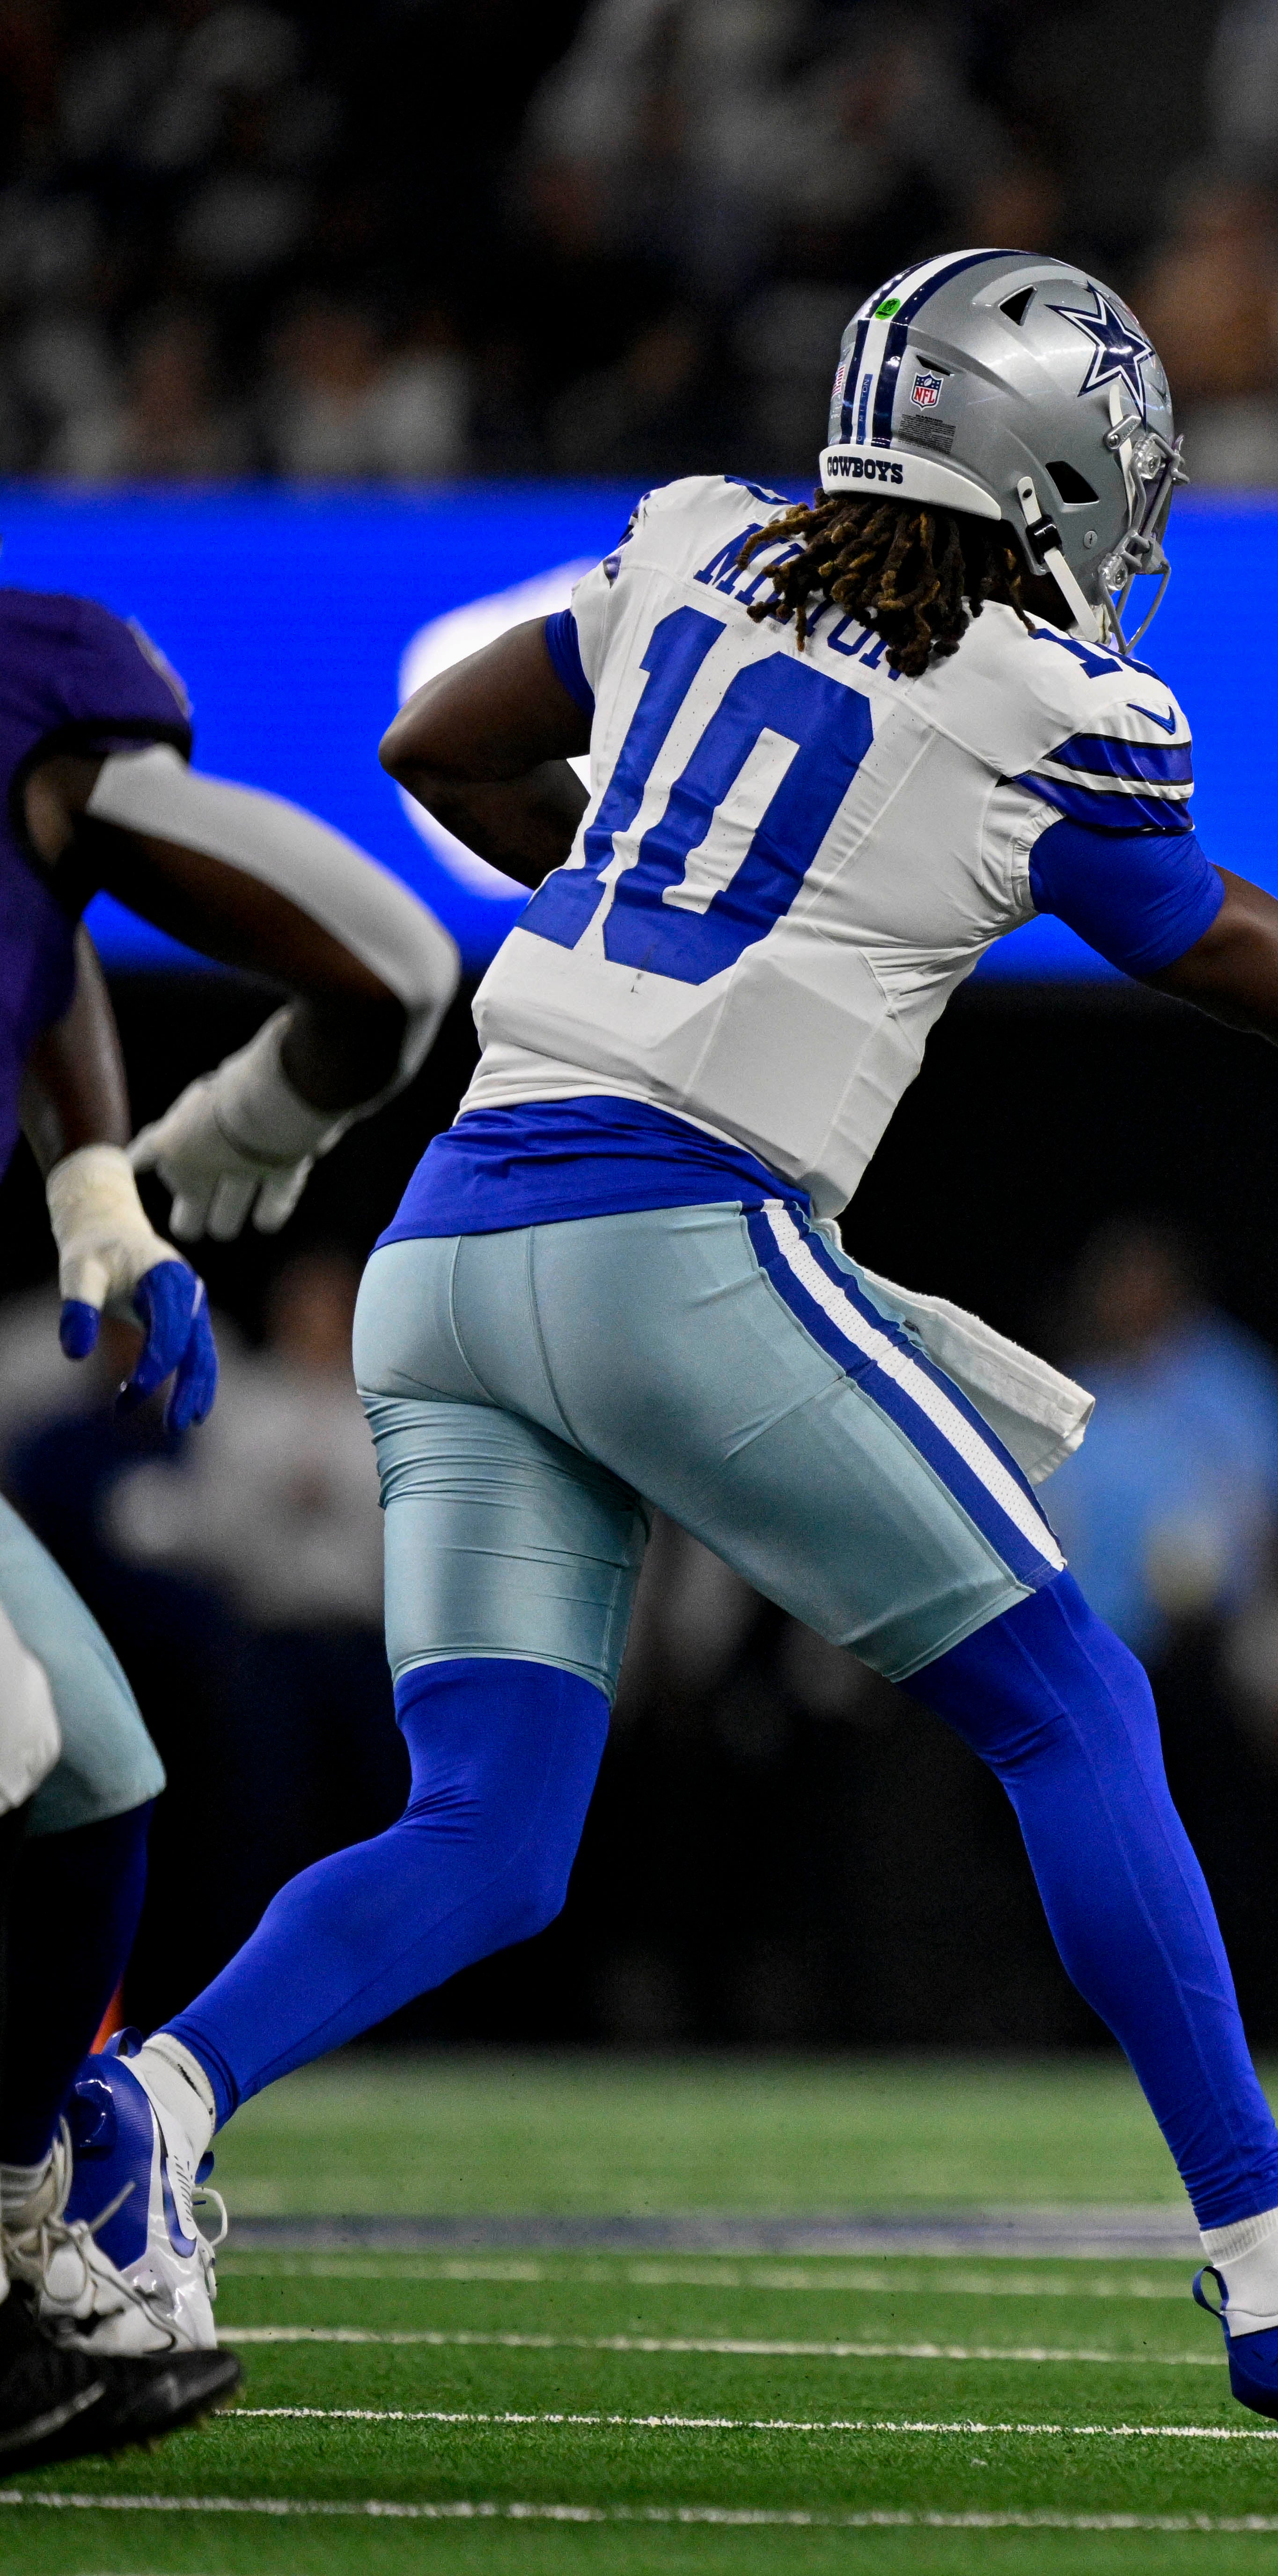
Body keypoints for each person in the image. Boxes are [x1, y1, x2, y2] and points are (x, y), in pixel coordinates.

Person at [55, 247, 1278, 2434]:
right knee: (1071, 1693)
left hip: (452, 1241)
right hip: (673, 1232)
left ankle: (149, 2098)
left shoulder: (699, 542)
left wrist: (626, 896)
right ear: (1051, 466)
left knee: (492, 1831)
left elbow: (433, 735)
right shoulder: (1047, 698)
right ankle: (1276, 2260)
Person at [0, 582, 463, 2467]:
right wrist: (228, 1139)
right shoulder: (44, 696)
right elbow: (390, 961)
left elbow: (44, 945)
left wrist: (104, 1200)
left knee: (90, 1767)